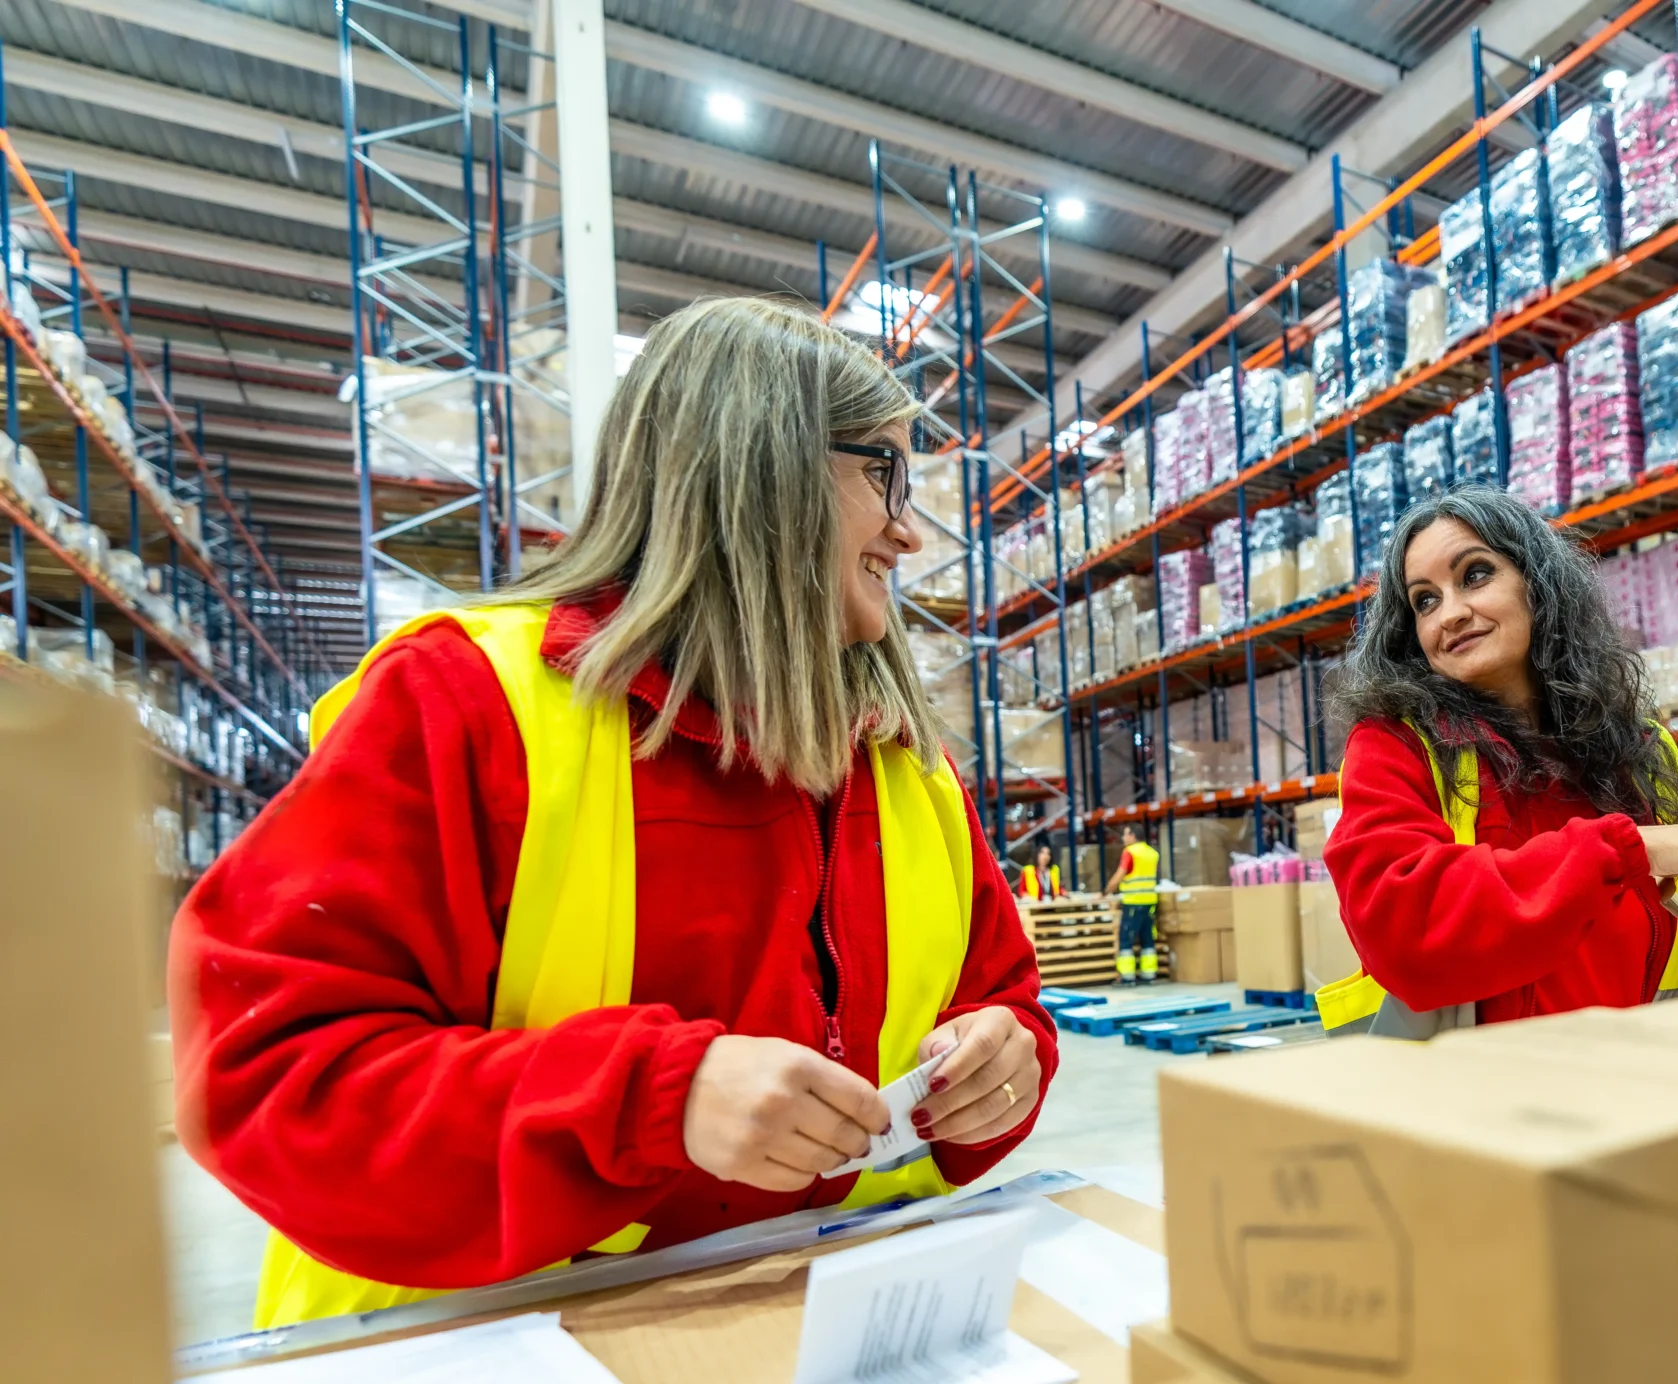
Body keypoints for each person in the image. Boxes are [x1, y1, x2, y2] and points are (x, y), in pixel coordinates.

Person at [170, 297, 1058, 1328]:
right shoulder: (465, 707)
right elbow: (266, 1076)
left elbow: (1002, 999)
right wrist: (649, 1101)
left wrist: (1006, 1065)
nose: (909, 530)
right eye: (882, 474)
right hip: (488, 1373)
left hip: (809, 1345)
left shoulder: (905, 767)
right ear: (759, 469)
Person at [1318, 485, 1678, 1035]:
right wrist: (1626, 850)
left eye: (1475, 574)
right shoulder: (1395, 747)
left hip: (1635, 1087)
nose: (1452, 614)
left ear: (1538, 584)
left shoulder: (1647, 754)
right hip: (1467, 1101)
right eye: (1425, 600)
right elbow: (1404, 927)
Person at [1101, 826, 1159, 983]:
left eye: (1125, 835)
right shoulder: (1152, 853)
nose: (1123, 838)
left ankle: (1127, 977)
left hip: (1133, 902)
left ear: (1133, 836)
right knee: (1147, 939)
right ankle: (1149, 975)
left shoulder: (1130, 852)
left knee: (1126, 938)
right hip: (1150, 902)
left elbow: (1120, 874)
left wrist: (1106, 891)